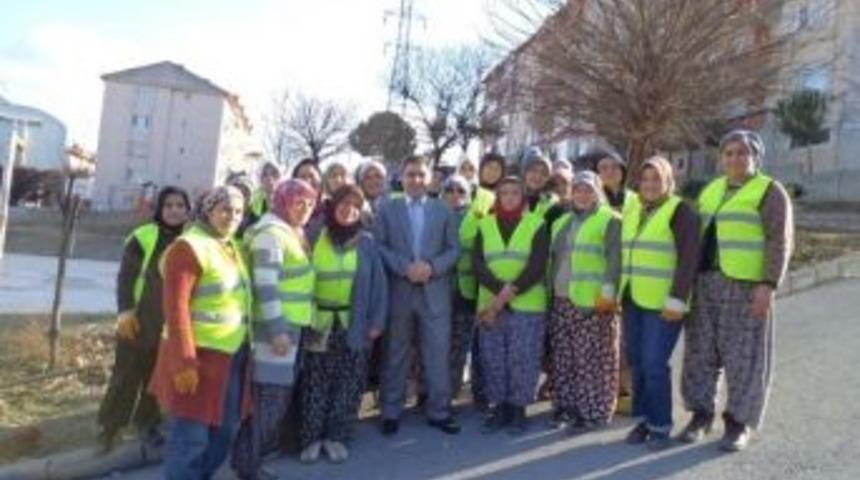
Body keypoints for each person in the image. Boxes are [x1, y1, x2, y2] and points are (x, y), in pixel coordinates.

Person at [680, 130, 793, 452]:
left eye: (742, 153)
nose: (734, 159)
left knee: (744, 358)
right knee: (700, 354)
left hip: (745, 286)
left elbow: (779, 241)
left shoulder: (770, 191)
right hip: (705, 282)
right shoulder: (711, 189)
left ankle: (738, 423)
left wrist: (768, 285)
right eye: (728, 153)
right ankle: (700, 415)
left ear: (755, 156)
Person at [149, 186, 253, 479]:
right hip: (198, 358)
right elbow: (175, 307)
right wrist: (183, 362)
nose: (232, 216)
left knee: (225, 432)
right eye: (225, 209)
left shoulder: (231, 246)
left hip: (231, 358)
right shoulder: (189, 247)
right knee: (191, 439)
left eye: (238, 211)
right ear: (208, 210)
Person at [231, 179, 318, 480]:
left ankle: (248, 462)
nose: (305, 209)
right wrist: (279, 330)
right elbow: (265, 286)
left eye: (310, 204)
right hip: (275, 333)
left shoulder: (289, 232)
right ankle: (247, 466)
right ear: (282, 201)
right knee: (269, 402)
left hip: (290, 328)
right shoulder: (271, 235)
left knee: (272, 401)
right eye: (299, 202)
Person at [98, 186, 191, 452]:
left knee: (156, 379)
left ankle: (147, 424)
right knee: (125, 377)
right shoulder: (143, 236)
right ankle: (110, 428)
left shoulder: (193, 241)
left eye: (180, 205)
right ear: (160, 209)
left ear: (187, 210)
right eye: (169, 205)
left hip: (170, 325)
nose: (174, 210)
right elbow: (125, 277)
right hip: (138, 321)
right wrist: (125, 311)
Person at [299, 185, 388, 462]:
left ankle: (337, 436)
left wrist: (376, 322)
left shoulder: (367, 243)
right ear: (333, 205)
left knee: (348, 383)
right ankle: (311, 438)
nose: (349, 210)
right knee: (315, 382)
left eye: (355, 206)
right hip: (318, 322)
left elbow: (379, 286)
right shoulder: (314, 235)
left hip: (354, 323)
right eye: (344, 204)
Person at [375, 154, 461, 436]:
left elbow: (454, 250)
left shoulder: (443, 210)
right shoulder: (388, 208)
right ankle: (390, 411)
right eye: (410, 174)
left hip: (434, 293)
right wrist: (405, 268)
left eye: (421, 175)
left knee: (436, 354)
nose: (415, 180)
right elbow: (380, 247)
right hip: (400, 291)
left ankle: (439, 411)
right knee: (395, 353)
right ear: (402, 176)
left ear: (430, 178)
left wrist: (432, 267)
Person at [620, 156, 699, 450]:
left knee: (654, 364)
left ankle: (661, 426)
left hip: (664, 304)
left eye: (657, 179)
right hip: (633, 299)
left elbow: (688, 260)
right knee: (638, 363)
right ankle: (643, 420)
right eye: (646, 179)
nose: (650, 184)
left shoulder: (681, 212)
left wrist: (677, 299)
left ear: (669, 181)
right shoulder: (634, 210)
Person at [473, 176, 549, 435]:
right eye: (503, 193)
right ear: (497, 197)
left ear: (523, 197)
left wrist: (506, 294)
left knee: (522, 358)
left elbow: (537, 266)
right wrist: (499, 292)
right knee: (494, 358)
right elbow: (478, 264)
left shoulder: (536, 224)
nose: (508, 197)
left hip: (527, 305)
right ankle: (500, 407)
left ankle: (518, 410)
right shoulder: (484, 225)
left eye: (514, 193)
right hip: (490, 305)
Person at [548, 172, 621, 434]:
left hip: (593, 304)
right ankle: (566, 407)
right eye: (577, 189)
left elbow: (615, 261)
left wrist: (608, 295)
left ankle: (593, 410)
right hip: (562, 299)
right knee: (565, 359)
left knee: (592, 361)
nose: (582, 194)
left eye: (588, 189)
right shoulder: (562, 222)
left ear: (598, 192)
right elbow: (554, 260)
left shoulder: (610, 220)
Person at [591, 150, 638, 415]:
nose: (608, 172)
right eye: (602, 167)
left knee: (627, 341)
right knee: (603, 341)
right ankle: (604, 391)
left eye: (613, 166)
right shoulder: (591, 200)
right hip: (600, 278)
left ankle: (627, 392)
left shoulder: (635, 200)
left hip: (629, 278)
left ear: (622, 170)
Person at [442, 175, 476, 404]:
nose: (455, 195)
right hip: (438, 292)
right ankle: (431, 394)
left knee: (458, 347)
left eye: (461, 191)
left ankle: (451, 394)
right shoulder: (434, 215)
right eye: (450, 190)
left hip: (465, 292)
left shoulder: (475, 218)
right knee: (436, 346)